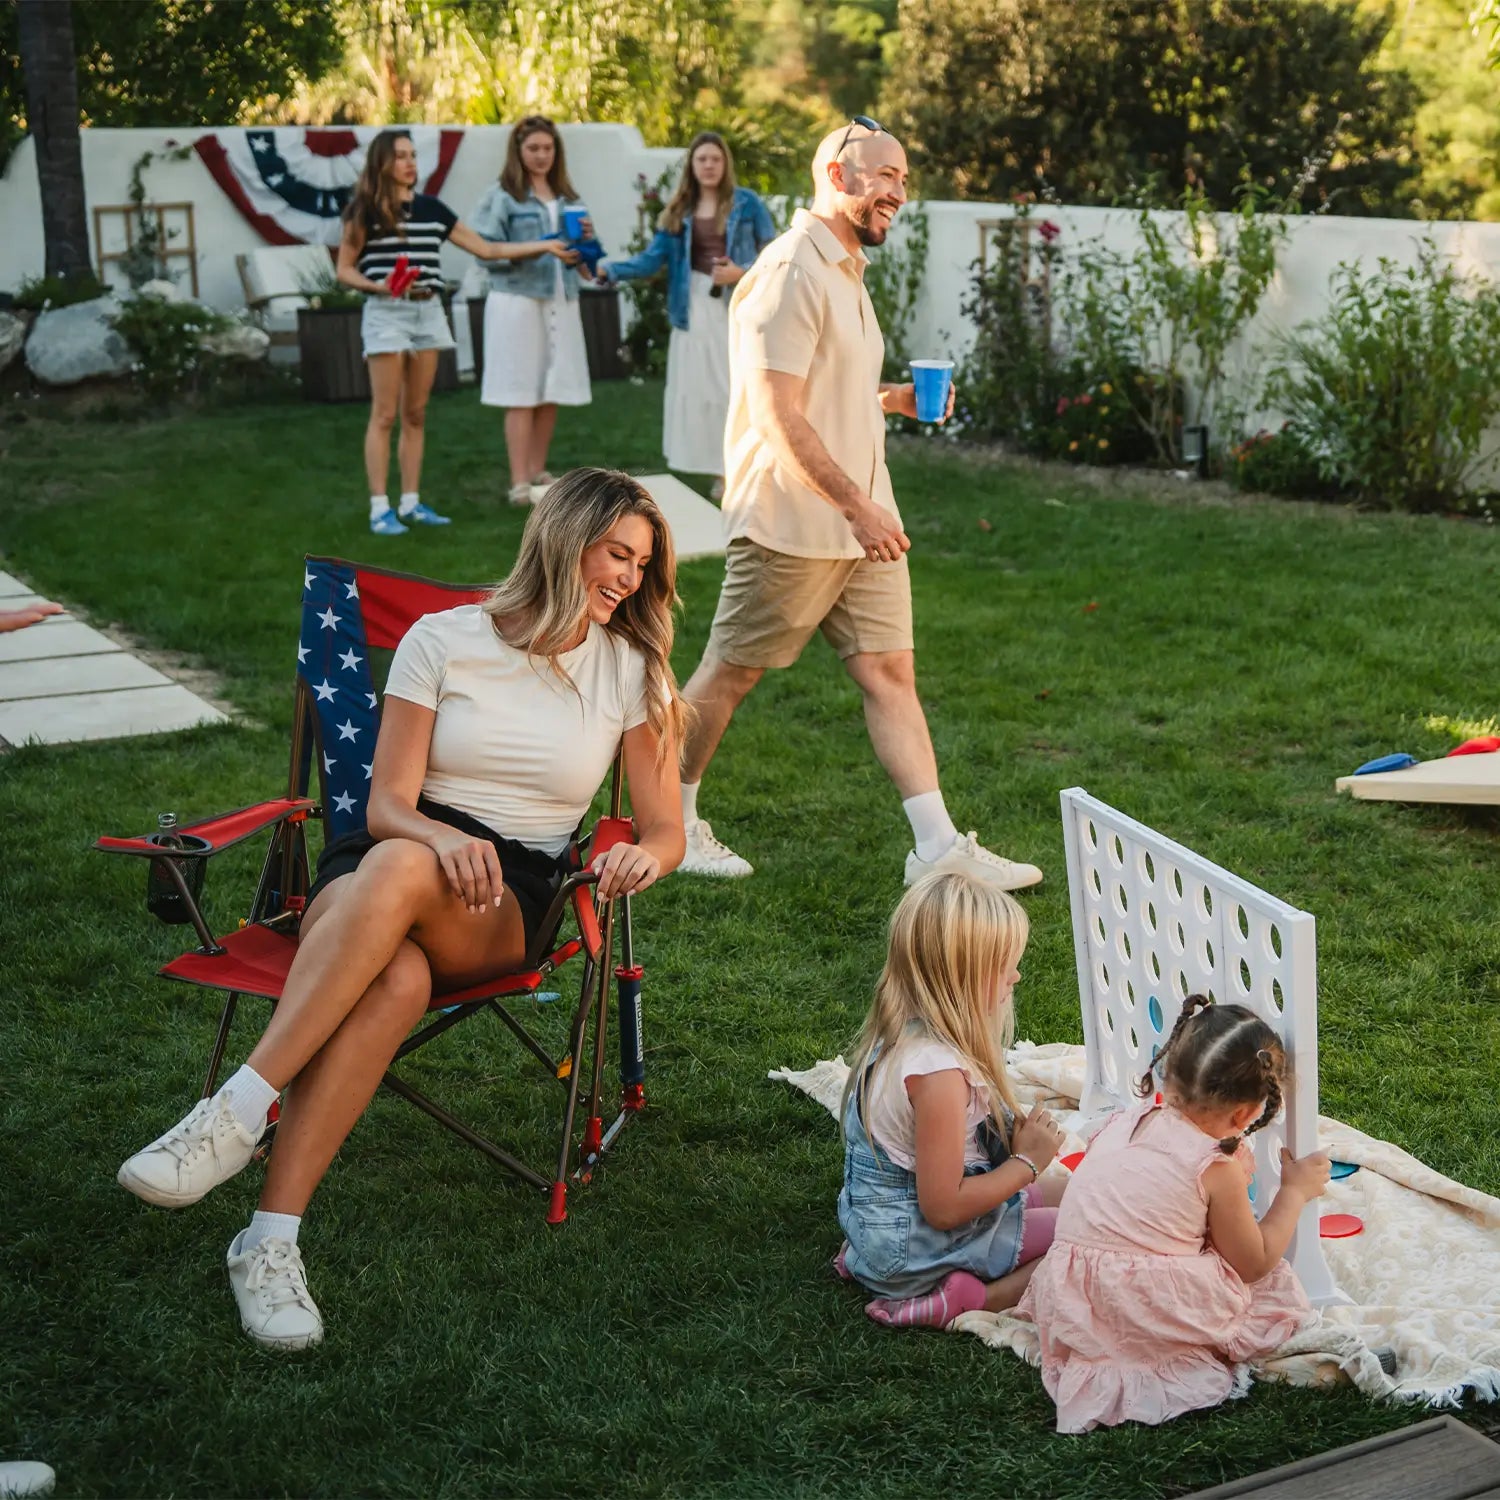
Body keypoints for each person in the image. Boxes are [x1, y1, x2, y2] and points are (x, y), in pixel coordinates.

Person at [115, 469, 687, 1351]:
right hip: (387, 857)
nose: (630, 578)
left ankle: (235, 1110)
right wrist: (436, 839)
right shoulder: (443, 639)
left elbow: (664, 831)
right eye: (618, 553)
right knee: (395, 964)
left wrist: (640, 855)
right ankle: (269, 1242)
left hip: (507, 894)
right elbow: (385, 807)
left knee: (400, 885)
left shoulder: (630, 671)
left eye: (643, 565)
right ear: (565, 540)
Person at [673, 119, 1043, 891]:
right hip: (796, 520)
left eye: (905, 179)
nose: (898, 193)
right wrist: (856, 506)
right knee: (731, 673)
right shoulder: (788, 273)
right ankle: (668, 819)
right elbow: (777, 415)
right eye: (885, 176)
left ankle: (935, 847)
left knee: (887, 671)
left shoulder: (844, 269)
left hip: (860, 525)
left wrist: (893, 401)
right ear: (837, 177)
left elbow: (824, 394)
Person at [1018, 994, 1328, 1433]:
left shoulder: (1130, 1119)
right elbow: (1255, 1263)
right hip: (1134, 1305)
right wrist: (1293, 1193)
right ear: (1247, 1113)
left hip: (1070, 1293)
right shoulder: (1215, 1166)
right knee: (1262, 1295)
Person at [835, 871, 1069, 1328]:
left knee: (1084, 1195)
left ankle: (869, 1258)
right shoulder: (939, 1076)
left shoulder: (904, 1033)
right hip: (913, 1246)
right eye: (1006, 966)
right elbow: (943, 1208)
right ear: (963, 976)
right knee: (1093, 1232)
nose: (1016, 976)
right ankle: (976, 1298)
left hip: (883, 1229)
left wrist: (1010, 1143)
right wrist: (1026, 1163)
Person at [337, 129, 518, 537]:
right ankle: (380, 508)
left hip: (428, 312)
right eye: (400, 155)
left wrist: (543, 245)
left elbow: (486, 250)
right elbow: (344, 269)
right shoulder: (364, 211)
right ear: (382, 162)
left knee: (415, 413)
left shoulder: (432, 209)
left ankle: (412, 503)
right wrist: (378, 285)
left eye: (413, 155)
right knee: (384, 414)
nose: (410, 163)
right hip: (386, 313)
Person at [599, 132, 776, 498]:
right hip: (691, 308)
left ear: (725, 163)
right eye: (701, 160)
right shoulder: (679, 211)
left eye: (715, 158)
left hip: (735, 305)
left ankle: (737, 468)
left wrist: (741, 272)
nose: (709, 165)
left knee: (732, 387)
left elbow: (776, 255)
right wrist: (611, 270)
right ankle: (716, 468)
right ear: (692, 167)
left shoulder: (747, 204)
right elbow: (651, 259)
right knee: (700, 389)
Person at [471, 117, 597, 507]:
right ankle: (518, 482)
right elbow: (484, 248)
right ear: (519, 152)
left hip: (561, 296)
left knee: (551, 388)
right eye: (534, 149)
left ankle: (538, 471)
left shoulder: (568, 197)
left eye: (548, 149)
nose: (542, 156)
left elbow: (586, 264)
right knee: (520, 390)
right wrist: (540, 247)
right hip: (518, 300)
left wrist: (587, 245)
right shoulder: (502, 196)